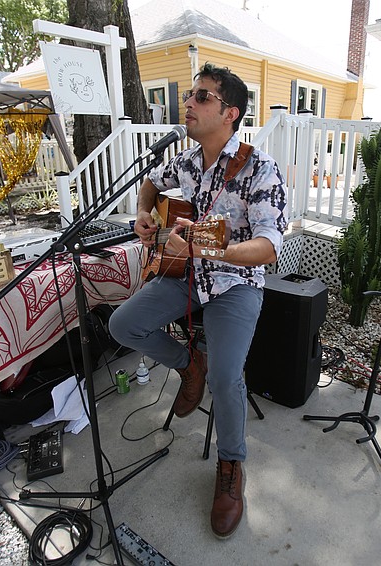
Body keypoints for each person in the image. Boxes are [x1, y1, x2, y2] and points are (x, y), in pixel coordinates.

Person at [109, 63, 288, 539]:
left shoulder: (259, 167)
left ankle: (231, 467)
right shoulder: (186, 163)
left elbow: (270, 246)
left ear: (230, 113)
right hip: (186, 275)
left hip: (235, 284)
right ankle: (190, 363)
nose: (187, 103)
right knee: (123, 326)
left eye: (201, 97)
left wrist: (214, 249)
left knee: (228, 378)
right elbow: (150, 182)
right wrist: (145, 213)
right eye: (189, 95)